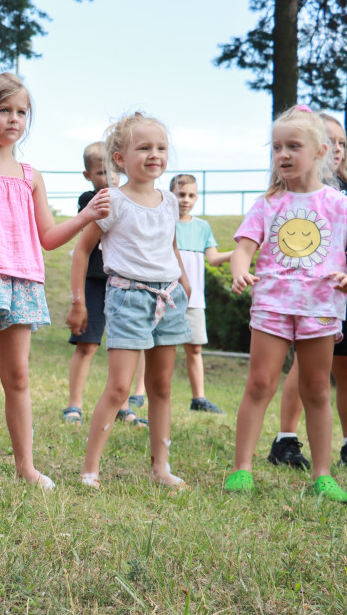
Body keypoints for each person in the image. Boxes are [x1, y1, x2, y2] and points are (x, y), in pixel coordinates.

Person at [0, 73, 108, 488]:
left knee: (18, 376)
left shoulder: (32, 175)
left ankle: (25, 467)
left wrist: (86, 216)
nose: (15, 119)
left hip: (22, 279)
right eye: (3, 111)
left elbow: (48, 237)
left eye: (21, 112)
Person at [223, 105, 347, 503]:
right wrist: (240, 270)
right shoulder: (268, 204)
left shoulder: (339, 204)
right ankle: (242, 469)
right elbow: (242, 249)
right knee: (259, 384)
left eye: (293, 145)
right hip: (271, 306)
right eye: (276, 148)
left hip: (322, 308)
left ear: (321, 151)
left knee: (316, 390)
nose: (283, 154)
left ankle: (323, 475)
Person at [69, 112, 192, 490]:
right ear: (120, 158)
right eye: (144, 148)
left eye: (160, 147)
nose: (154, 154)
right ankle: (90, 469)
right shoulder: (112, 201)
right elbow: (81, 250)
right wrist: (79, 301)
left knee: (161, 387)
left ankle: (161, 467)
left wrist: (186, 290)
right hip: (128, 298)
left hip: (170, 298)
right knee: (120, 388)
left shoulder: (170, 201)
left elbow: (171, 248)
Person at [268, 112, 347, 468]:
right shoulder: (296, 188)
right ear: (316, 146)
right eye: (333, 142)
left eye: (343, 143)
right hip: (309, 294)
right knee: (306, 366)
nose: (339, 150)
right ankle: (285, 438)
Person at [63, 143, 147, 427]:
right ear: (88, 175)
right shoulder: (91, 198)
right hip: (95, 284)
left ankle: (123, 406)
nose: (109, 178)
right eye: (101, 172)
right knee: (87, 345)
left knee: (123, 347)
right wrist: (79, 302)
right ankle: (74, 404)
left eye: (113, 171)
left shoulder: (130, 199)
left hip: (124, 284)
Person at [170, 173, 232, 413]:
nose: (186, 200)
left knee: (194, 347)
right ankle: (139, 394)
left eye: (191, 195)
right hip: (166, 296)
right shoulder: (165, 223)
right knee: (155, 347)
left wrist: (240, 252)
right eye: (181, 194)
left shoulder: (203, 227)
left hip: (194, 300)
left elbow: (214, 258)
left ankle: (199, 399)